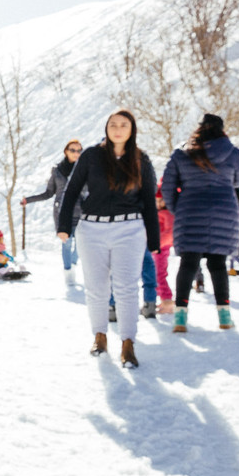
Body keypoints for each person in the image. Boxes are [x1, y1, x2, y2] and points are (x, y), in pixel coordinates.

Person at [57, 110, 159, 368]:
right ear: (106, 128)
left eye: (124, 125)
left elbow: (149, 199)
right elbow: (71, 191)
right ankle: (100, 336)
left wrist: (154, 239)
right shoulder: (91, 156)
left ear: (132, 129)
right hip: (92, 230)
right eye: (113, 124)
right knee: (96, 288)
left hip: (130, 230)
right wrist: (64, 226)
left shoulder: (140, 159)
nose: (117, 129)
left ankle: (128, 344)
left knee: (126, 287)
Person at [160, 113, 239, 332]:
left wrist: (177, 208)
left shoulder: (182, 153)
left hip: (190, 210)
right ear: (222, 130)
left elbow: (167, 187)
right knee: (217, 264)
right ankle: (224, 317)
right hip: (224, 211)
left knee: (188, 263)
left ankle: (180, 317)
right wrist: (225, 181)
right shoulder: (232, 152)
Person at [21, 138, 83, 286]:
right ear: (66, 152)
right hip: (63, 214)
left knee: (80, 245)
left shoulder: (83, 170)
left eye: (79, 150)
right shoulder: (57, 171)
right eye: (73, 150)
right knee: (66, 244)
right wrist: (28, 200)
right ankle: (68, 272)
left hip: (82, 212)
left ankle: (73, 265)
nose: (76, 153)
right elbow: (49, 193)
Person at [154, 184, 176, 314]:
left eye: (160, 200)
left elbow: (170, 232)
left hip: (161, 248)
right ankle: (164, 299)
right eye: (156, 200)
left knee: (159, 274)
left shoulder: (167, 213)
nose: (157, 203)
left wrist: (157, 243)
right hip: (156, 248)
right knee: (157, 273)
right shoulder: (161, 212)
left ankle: (167, 300)